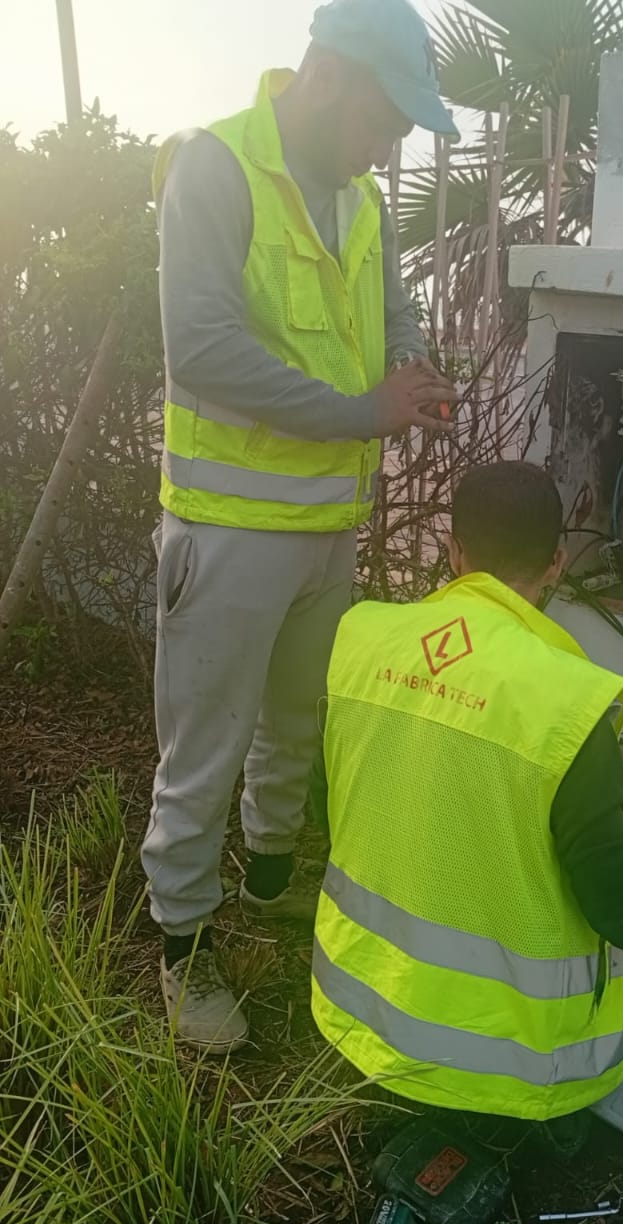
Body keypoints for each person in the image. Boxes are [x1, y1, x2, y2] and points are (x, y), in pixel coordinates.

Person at [142, 0, 458, 1053]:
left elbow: (393, 310)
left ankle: (271, 878)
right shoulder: (215, 169)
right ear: (326, 78)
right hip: (228, 529)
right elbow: (204, 349)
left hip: (327, 524)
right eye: (386, 120)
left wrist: (413, 369)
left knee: (294, 719)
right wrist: (367, 412)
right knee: (206, 747)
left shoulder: (358, 197)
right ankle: (180, 951)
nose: (391, 145)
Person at [310, 462, 623, 1122]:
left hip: (359, 1009)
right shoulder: (565, 705)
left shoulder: (362, 638)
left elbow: (338, 803)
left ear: (453, 550)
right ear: (555, 563)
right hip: (514, 1066)